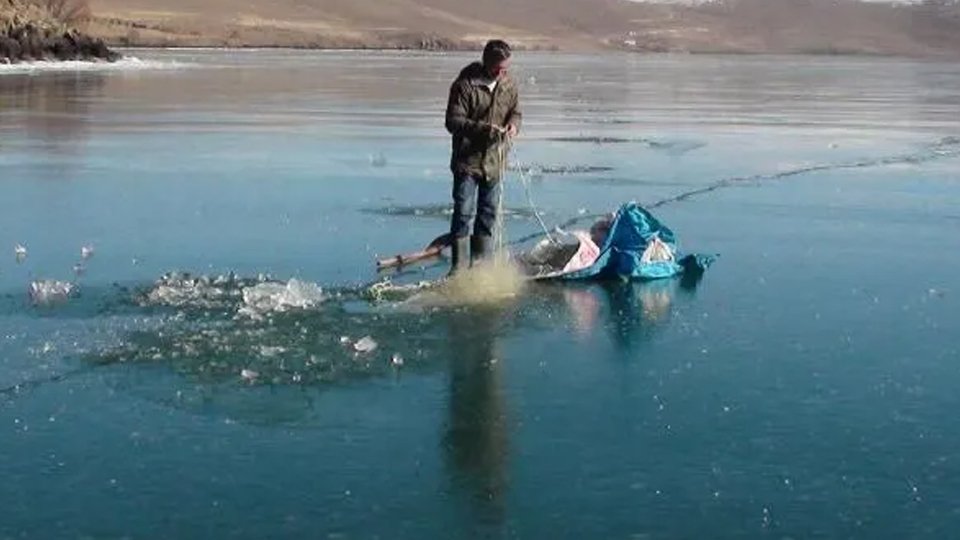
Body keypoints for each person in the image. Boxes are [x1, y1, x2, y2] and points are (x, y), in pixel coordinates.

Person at [444, 39, 522, 275]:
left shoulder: (508, 84)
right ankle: (458, 269)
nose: (503, 72)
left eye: (506, 68)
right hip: (467, 162)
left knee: (488, 215)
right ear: (488, 63)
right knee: (464, 213)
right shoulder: (465, 85)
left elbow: (516, 112)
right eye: (499, 68)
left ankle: (481, 267)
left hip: (495, 162)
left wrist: (513, 126)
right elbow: (453, 122)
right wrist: (484, 129)